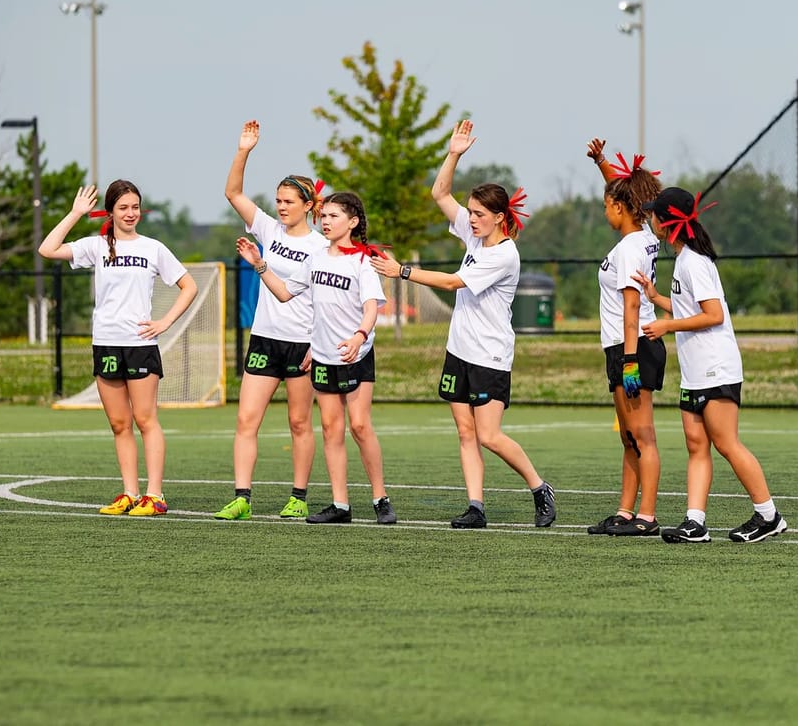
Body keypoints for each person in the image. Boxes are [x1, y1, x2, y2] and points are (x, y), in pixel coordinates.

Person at [370, 120, 555, 529]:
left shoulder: (504, 255)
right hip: (460, 351)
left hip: (490, 354)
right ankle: (476, 506)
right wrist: (453, 153)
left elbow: (454, 282)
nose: (471, 219)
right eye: (470, 212)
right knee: (465, 433)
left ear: (499, 217)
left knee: (489, 435)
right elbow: (439, 193)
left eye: (479, 214)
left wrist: (402, 271)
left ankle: (540, 487)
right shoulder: (474, 239)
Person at [633, 187, 787, 544]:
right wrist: (655, 297)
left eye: (655, 213)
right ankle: (695, 522)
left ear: (667, 221)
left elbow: (713, 315)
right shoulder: (684, 259)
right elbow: (690, 309)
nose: (650, 218)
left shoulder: (694, 262)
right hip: (695, 371)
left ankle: (769, 516)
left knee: (726, 443)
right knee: (696, 445)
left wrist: (666, 325)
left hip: (717, 368)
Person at [39, 182, 198, 516]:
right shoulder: (96, 246)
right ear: (110, 212)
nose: (131, 213)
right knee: (119, 424)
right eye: (124, 207)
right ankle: (129, 493)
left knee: (145, 419)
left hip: (140, 345)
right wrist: (75, 213)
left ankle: (154, 497)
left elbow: (189, 286)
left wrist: (165, 322)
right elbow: (47, 249)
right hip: (106, 345)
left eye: (135, 207)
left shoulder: (153, 248)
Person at [237, 191, 396, 524]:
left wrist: (359, 336)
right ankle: (340, 505)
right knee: (329, 427)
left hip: (356, 353)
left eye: (334, 216)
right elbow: (282, 293)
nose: (326, 221)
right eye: (323, 216)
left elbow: (371, 308)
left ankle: (380, 498)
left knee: (360, 425)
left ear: (352, 222)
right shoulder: (315, 258)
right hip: (324, 356)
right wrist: (259, 264)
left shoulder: (363, 260)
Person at [214, 121, 329, 522]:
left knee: (299, 423)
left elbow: (323, 301)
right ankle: (242, 497)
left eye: (288, 201)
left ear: (308, 206)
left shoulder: (320, 246)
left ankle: (298, 497)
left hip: (302, 344)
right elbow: (233, 193)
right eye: (278, 200)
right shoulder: (267, 228)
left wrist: (319, 344)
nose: (281, 206)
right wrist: (244, 149)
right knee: (246, 419)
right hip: (264, 339)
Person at [584, 138, 666, 536]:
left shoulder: (631, 248)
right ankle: (625, 511)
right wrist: (602, 162)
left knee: (643, 435)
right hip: (623, 346)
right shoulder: (642, 231)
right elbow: (626, 192)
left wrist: (629, 359)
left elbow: (632, 308)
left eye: (607, 205)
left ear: (620, 209)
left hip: (633, 347)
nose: (605, 210)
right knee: (629, 437)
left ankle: (646, 517)